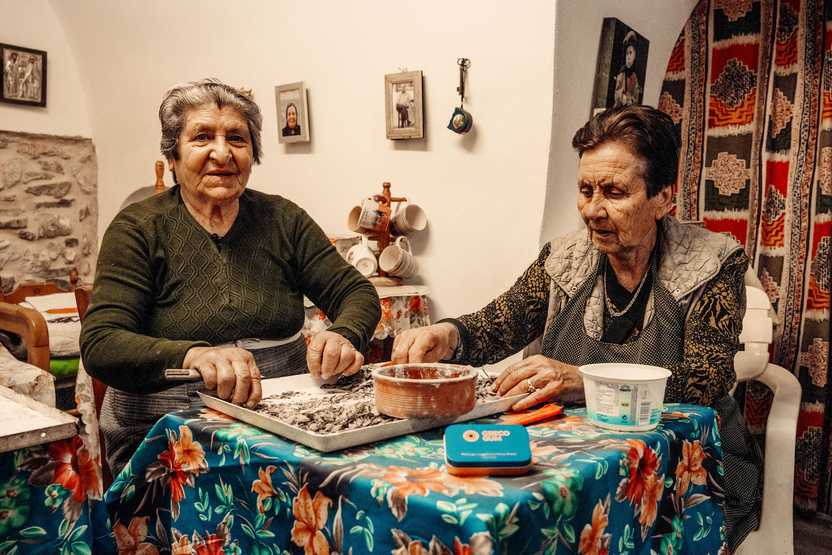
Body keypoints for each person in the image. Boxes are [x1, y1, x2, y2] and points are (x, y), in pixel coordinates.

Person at [391, 105, 761, 551]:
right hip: (578, 459)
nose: (593, 210)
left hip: (690, 465)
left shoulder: (714, 262)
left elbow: (705, 378)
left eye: (614, 192)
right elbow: (496, 325)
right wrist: (447, 335)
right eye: (585, 190)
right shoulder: (564, 258)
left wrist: (582, 379)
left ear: (664, 197)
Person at [81, 78, 380, 475]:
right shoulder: (138, 227)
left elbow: (355, 290)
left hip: (282, 420)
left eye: (237, 139)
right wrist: (196, 355)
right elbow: (102, 343)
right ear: (173, 156)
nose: (222, 153)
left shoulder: (282, 219)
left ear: (253, 154)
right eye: (202, 137)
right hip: (164, 432)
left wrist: (344, 334)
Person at [614, 30, 641, 108]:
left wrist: (632, 100)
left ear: (635, 56)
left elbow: (636, 96)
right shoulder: (622, 74)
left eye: (630, 53)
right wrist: (625, 99)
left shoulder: (634, 76)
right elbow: (618, 94)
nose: (628, 57)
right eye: (627, 54)